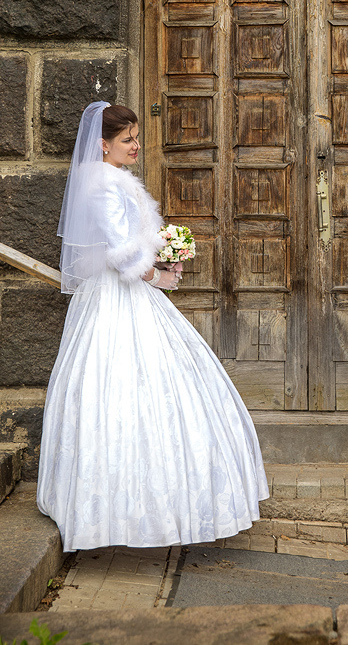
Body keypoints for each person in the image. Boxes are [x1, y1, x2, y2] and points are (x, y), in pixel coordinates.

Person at [37, 101, 269, 552]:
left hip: (122, 292)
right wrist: (157, 274)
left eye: (136, 136)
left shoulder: (112, 179)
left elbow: (129, 238)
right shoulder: (103, 183)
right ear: (102, 145)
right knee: (123, 386)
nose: (136, 145)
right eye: (127, 140)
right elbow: (121, 250)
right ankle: (125, 509)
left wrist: (162, 250)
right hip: (116, 296)